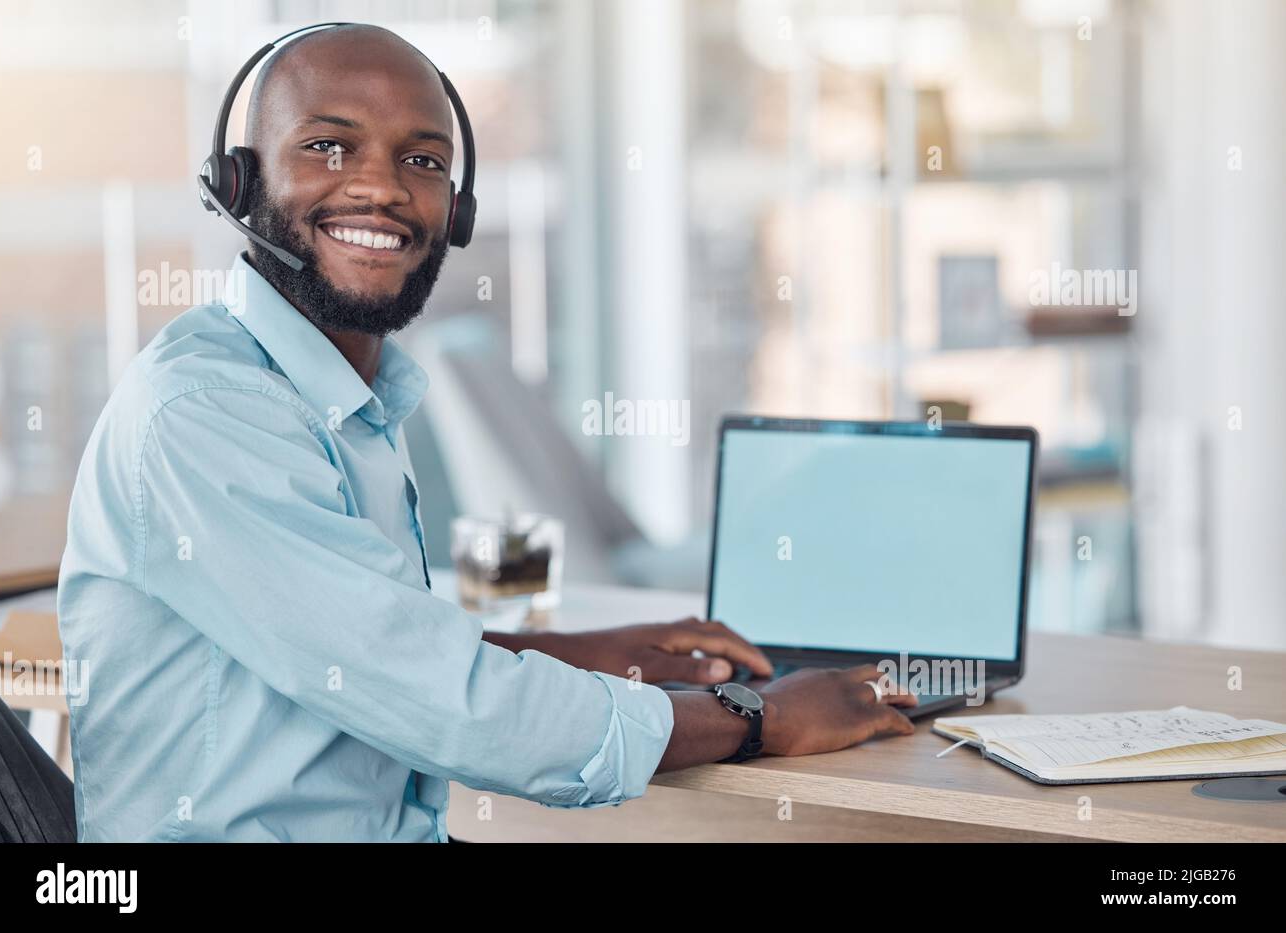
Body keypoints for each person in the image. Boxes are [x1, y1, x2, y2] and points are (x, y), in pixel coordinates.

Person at [57, 23, 916, 842]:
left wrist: (584, 653)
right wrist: (758, 717)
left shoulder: (343, 396)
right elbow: (444, 702)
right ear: (238, 182)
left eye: (421, 160)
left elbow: (371, 642)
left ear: (456, 210)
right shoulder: (208, 412)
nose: (382, 186)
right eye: (328, 146)